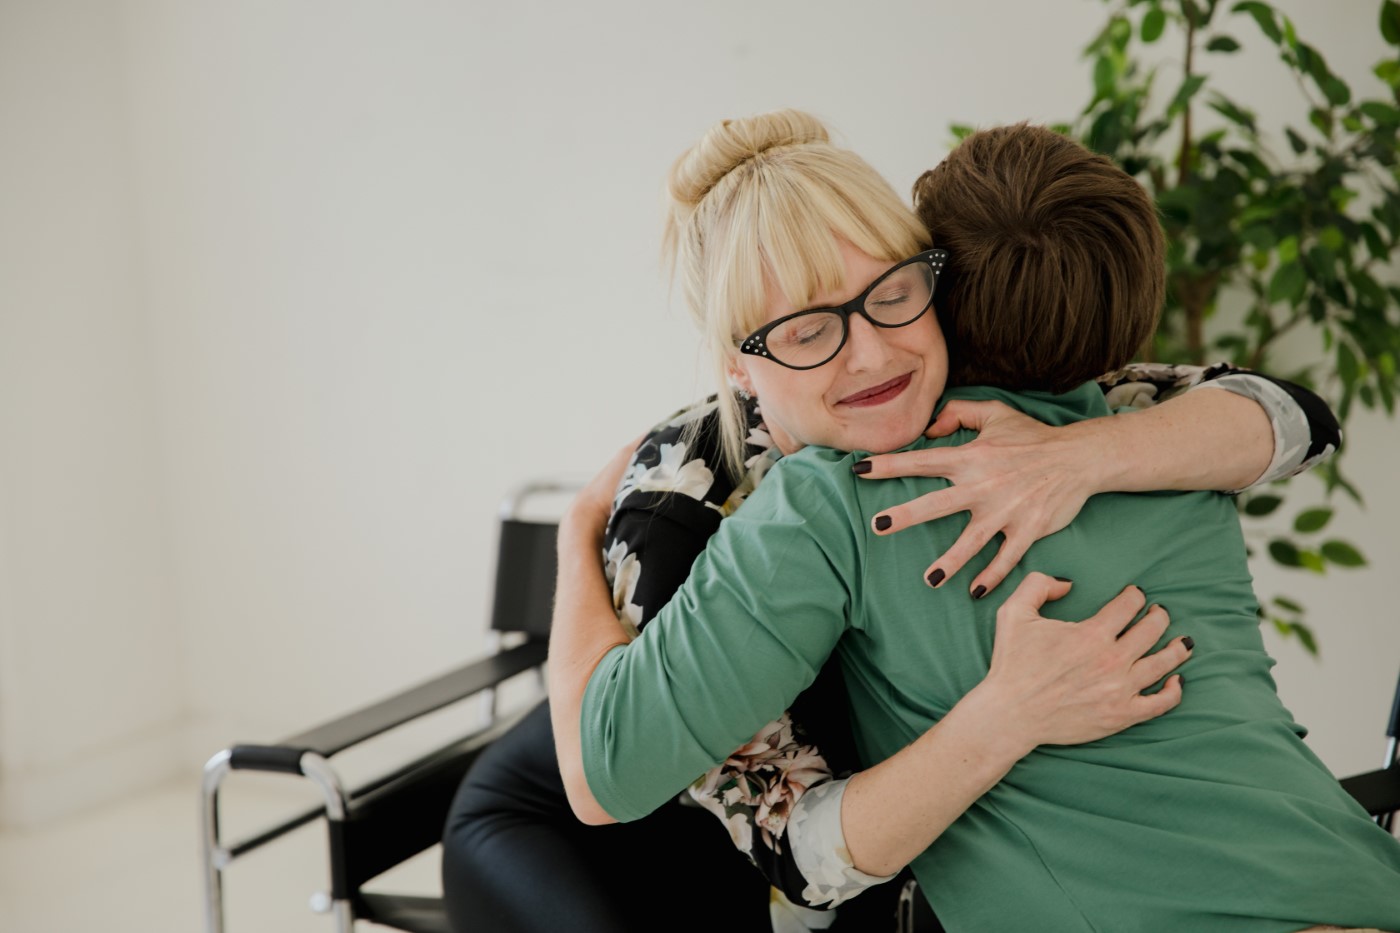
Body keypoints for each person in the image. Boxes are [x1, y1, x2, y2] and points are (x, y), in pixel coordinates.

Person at [443, 110, 1339, 933]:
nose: (871, 350)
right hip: (589, 829)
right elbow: (633, 793)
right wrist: (573, 539)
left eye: (892, 293)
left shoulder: (954, 386)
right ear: (741, 365)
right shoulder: (685, 498)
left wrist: (1076, 459)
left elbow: (1289, 418)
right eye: (804, 331)